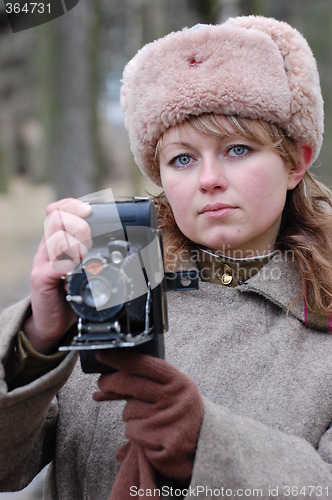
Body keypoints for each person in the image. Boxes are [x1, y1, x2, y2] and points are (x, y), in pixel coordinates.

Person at [1, 14, 332, 500]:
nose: (208, 178)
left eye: (238, 149)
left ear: (295, 162)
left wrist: (207, 446)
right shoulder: (114, 280)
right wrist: (37, 340)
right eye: (182, 159)